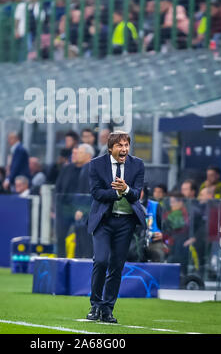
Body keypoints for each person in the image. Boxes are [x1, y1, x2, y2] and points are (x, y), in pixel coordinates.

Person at [86, 130, 145, 323]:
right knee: (101, 261)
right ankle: (95, 305)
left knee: (116, 267)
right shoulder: (96, 164)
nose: (124, 149)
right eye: (120, 145)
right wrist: (116, 193)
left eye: (126, 145)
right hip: (104, 221)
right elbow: (96, 193)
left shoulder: (138, 165)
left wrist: (126, 189)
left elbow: (136, 194)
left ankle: (107, 309)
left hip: (125, 222)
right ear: (111, 148)